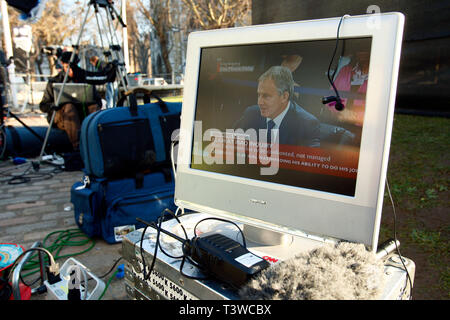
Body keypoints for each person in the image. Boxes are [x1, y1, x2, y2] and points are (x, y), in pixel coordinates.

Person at [234, 66, 320, 147]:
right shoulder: (251, 114)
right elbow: (231, 145)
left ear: (284, 97)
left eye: (266, 96)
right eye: (259, 95)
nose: (259, 102)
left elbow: (309, 160)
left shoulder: (307, 125)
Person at [39, 51, 101, 150]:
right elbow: (43, 105)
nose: (71, 70)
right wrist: (55, 105)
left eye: (74, 67)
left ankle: (98, 143)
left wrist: (89, 101)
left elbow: (98, 101)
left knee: (93, 107)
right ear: (63, 64)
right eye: (68, 67)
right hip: (63, 116)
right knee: (69, 107)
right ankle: (78, 147)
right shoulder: (55, 81)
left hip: (82, 114)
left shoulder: (85, 79)